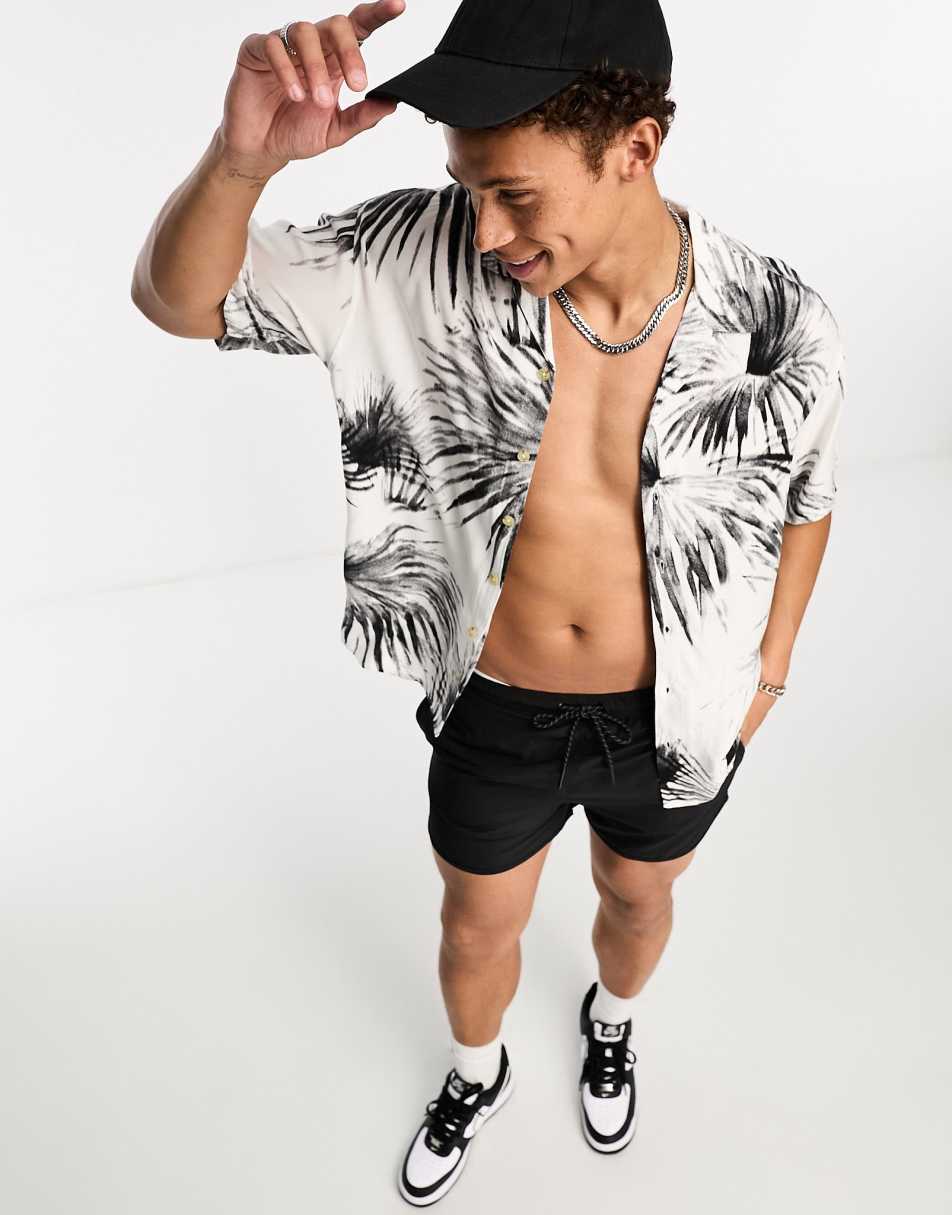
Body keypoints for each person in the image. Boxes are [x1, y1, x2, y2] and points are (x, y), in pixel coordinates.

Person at [131, 0, 846, 1204]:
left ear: (636, 147)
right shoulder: (412, 256)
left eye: (514, 194)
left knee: (638, 897)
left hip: (678, 717)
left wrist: (767, 676)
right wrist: (242, 161)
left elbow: (808, 500)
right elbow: (179, 301)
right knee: (473, 927)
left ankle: (612, 1022)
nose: (485, 229)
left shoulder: (780, 318)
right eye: (468, 188)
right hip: (498, 709)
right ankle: (477, 1071)